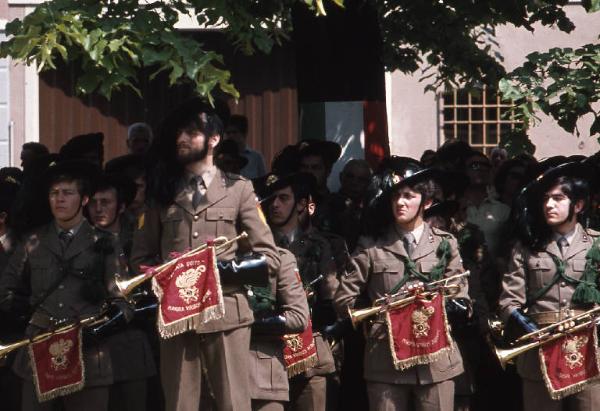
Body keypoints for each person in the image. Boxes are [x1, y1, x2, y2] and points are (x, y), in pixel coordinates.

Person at [130, 98, 280, 411]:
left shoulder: (239, 189)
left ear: (213, 139)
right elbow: (140, 257)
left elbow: (269, 256)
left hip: (227, 313)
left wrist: (218, 270)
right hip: (176, 316)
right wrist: (161, 278)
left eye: (191, 133)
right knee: (180, 403)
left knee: (233, 403)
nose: (181, 139)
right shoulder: (162, 192)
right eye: (178, 134)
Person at [334, 158, 469, 411]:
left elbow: (460, 294)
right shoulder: (372, 244)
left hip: (436, 361)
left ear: (427, 202)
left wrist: (447, 306)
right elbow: (344, 298)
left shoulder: (445, 243)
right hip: (386, 360)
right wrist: (377, 312)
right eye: (396, 196)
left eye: (408, 196)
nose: (400, 202)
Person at [0, 160, 130, 411]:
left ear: (83, 200)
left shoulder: (106, 243)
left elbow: (123, 302)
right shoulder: (32, 241)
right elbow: (6, 289)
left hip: (88, 355)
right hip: (38, 352)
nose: (59, 199)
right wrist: (26, 316)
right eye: (54, 193)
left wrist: (99, 331)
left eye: (67, 193)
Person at [498, 162, 600, 410]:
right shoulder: (526, 247)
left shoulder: (596, 245)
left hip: (588, 354)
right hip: (539, 356)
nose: (549, 205)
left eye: (558, 198)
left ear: (578, 205)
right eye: (546, 199)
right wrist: (521, 321)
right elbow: (508, 300)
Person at [262, 172, 340, 411]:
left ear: (302, 204)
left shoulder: (321, 243)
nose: (274, 204)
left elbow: (332, 294)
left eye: (283, 198)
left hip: (311, 350)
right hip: (269, 349)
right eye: (271, 198)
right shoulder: (259, 245)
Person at [86, 173, 157, 411]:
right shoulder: (82, 241)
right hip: (94, 343)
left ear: (122, 206)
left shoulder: (138, 238)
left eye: (105, 202)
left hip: (133, 343)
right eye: (94, 203)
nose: (98, 209)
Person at [248, 246, 310, 411]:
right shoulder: (207, 257)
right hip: (213, 379)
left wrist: (245, 322)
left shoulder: (280, 257)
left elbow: (298, 317)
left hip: (262, 377)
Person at [224, 114, 266, 179]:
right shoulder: (223, 158)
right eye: (228, 133)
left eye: (234, 132)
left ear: (244, 134)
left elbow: (264, 182)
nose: (230, 136)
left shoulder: (256, 157)